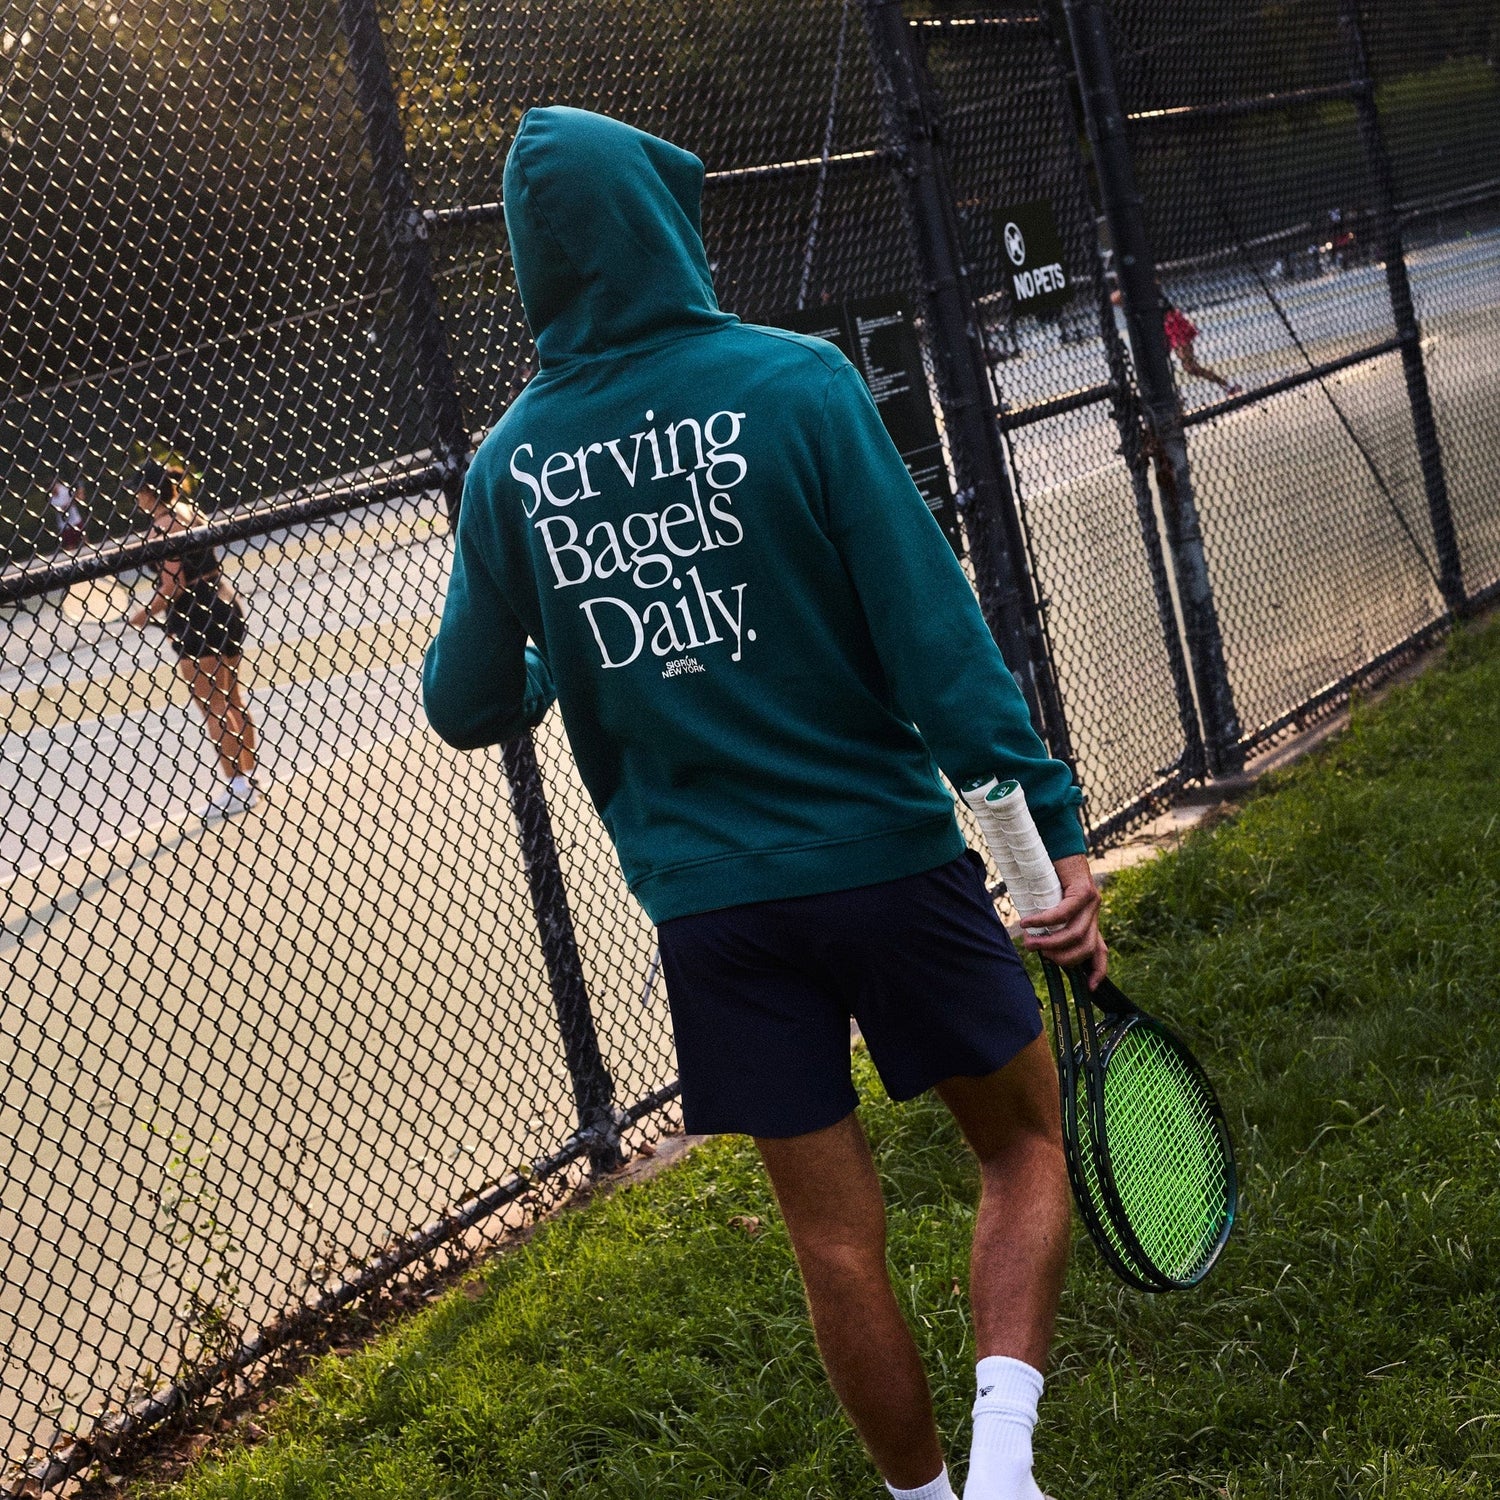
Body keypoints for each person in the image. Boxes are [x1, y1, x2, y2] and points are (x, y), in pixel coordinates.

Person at [424, 107, 1105, 1500]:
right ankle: (1003, 1473)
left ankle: (924, 1499)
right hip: (887, 864)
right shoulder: (797, 387)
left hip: (713, 913)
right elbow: (938, 647)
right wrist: (1051, 848)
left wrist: (567, 637)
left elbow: (465, 700)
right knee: (1027, 1142)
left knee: (833, 1242)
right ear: (661, 225)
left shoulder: (510, 464)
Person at [128, 460, 260, 821]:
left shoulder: (161, 527)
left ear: (149, 492)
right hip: (225, 602)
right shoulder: (190, 510)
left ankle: (236, 786)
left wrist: (142, 615)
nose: (136, 497)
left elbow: (173, 586)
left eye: (138, 490)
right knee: (232, 697)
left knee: (212, 705)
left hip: (198, 617)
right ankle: (248, 779)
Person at [1112, 287, 1242, 397]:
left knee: (1190, 367)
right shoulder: (1128, 294)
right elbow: (1115, 299)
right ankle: (1174, 399)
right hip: (1156, 329)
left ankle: (1228, 385)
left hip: (1171, 322)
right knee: (1155, 368)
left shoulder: (1144, 283)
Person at [48, 476, 87, 551]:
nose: (55, 487)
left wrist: (80, 491)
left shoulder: (63, 489)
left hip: (75, 520)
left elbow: (79, 499)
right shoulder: (51, 499)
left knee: (84, 540)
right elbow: (63, 509)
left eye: (55, 485)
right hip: (65, 525)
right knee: (70, 546)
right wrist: (73, 500)